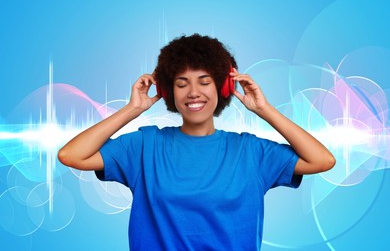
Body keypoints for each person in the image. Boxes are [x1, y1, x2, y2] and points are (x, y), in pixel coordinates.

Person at [58, 34, 335, 250]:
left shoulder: (251, 151)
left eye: (204, 81)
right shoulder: (144, 146)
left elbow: (322, 160)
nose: (193, 92)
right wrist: (133, 109)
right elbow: (72, 155)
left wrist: (264, 110)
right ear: (168, 91)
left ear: (223, 87)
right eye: (181, 83)